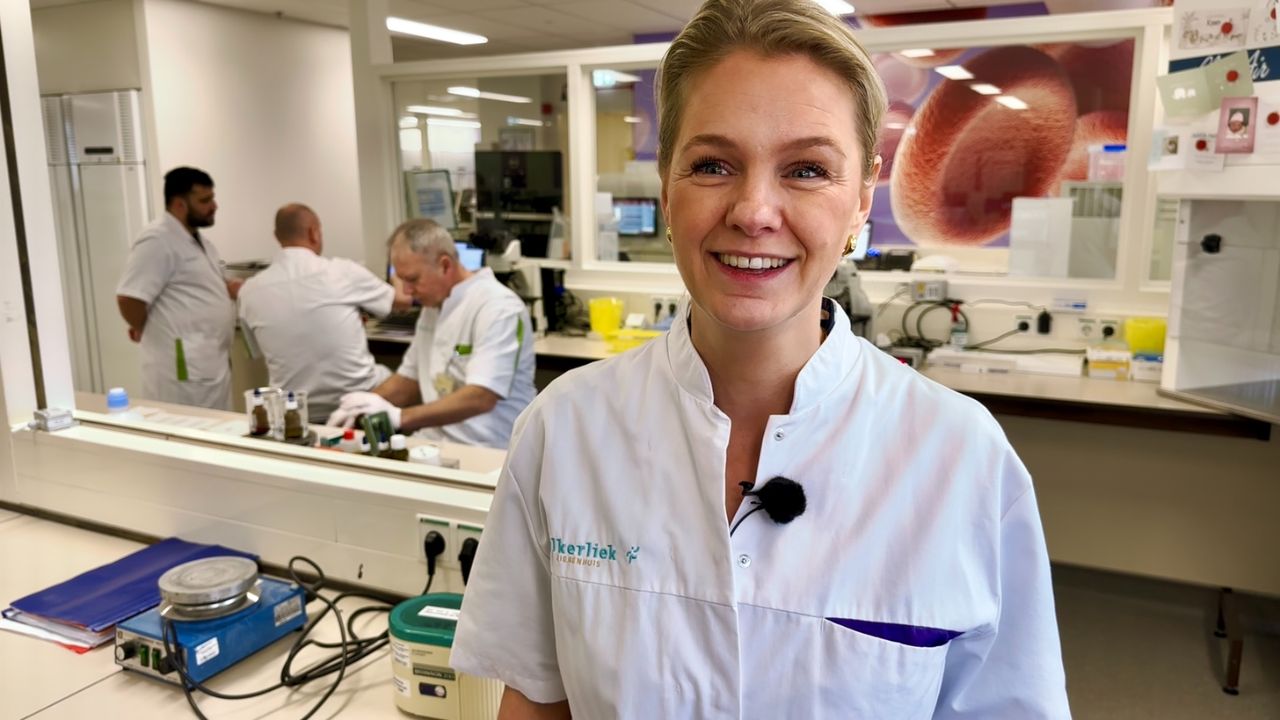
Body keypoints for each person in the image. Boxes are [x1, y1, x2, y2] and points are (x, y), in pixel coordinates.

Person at [450, 1, 1071, 718]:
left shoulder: (962, 459)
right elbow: (536, 700)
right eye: (712, 164)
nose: (753, 210)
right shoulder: (564, 431)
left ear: (862, 196)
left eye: (806, 169)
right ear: (667, 184)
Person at [327, 219, 535, 449]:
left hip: (489, 447)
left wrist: (398, 417)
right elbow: (409, 380)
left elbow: (481, 397)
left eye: (412, 279)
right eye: (401, 279)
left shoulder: (498, 307)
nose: (406, 292)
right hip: (436, 438)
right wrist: (365, 404)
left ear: (445, 265)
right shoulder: (433, 307)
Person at [237, 203, 412, 422]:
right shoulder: (343, 271)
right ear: (314, 232)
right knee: (408, 379)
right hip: (357, 399)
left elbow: (255, 352)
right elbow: (404, 302)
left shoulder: (249, 291)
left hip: (295, 409)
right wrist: (398, 273)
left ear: (276, 237)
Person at [116, 166, 238, 409]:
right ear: (179, 204)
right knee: (188, 433)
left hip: (208, 359)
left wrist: (227, 289)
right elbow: (129, 297)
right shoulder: (157, 240)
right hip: (183, 367)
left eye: (212, 198)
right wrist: (143, 326)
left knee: (216, 434)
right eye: (205, 200)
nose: (214, 206)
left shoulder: (200, 241)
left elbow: (192, 287)